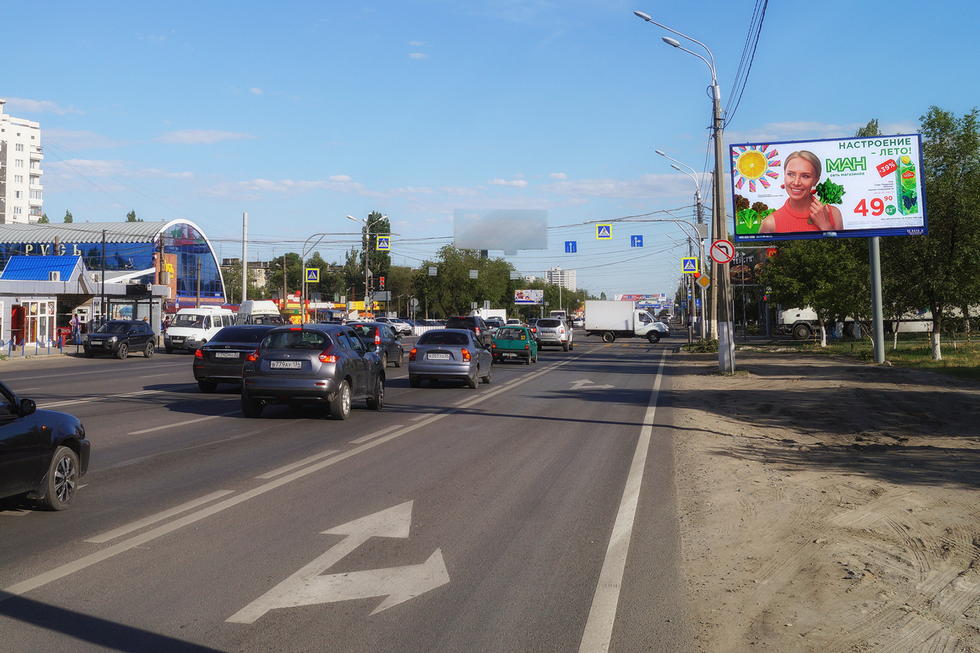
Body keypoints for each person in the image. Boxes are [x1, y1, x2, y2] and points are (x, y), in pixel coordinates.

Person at [759, 150, 844, 234]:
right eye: (791, 174)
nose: (796, 183)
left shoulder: (833, 213)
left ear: (815, 180)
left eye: (805, 176)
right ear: (784, 175)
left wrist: (826, 227)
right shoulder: (770, 223)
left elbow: (840, 247)